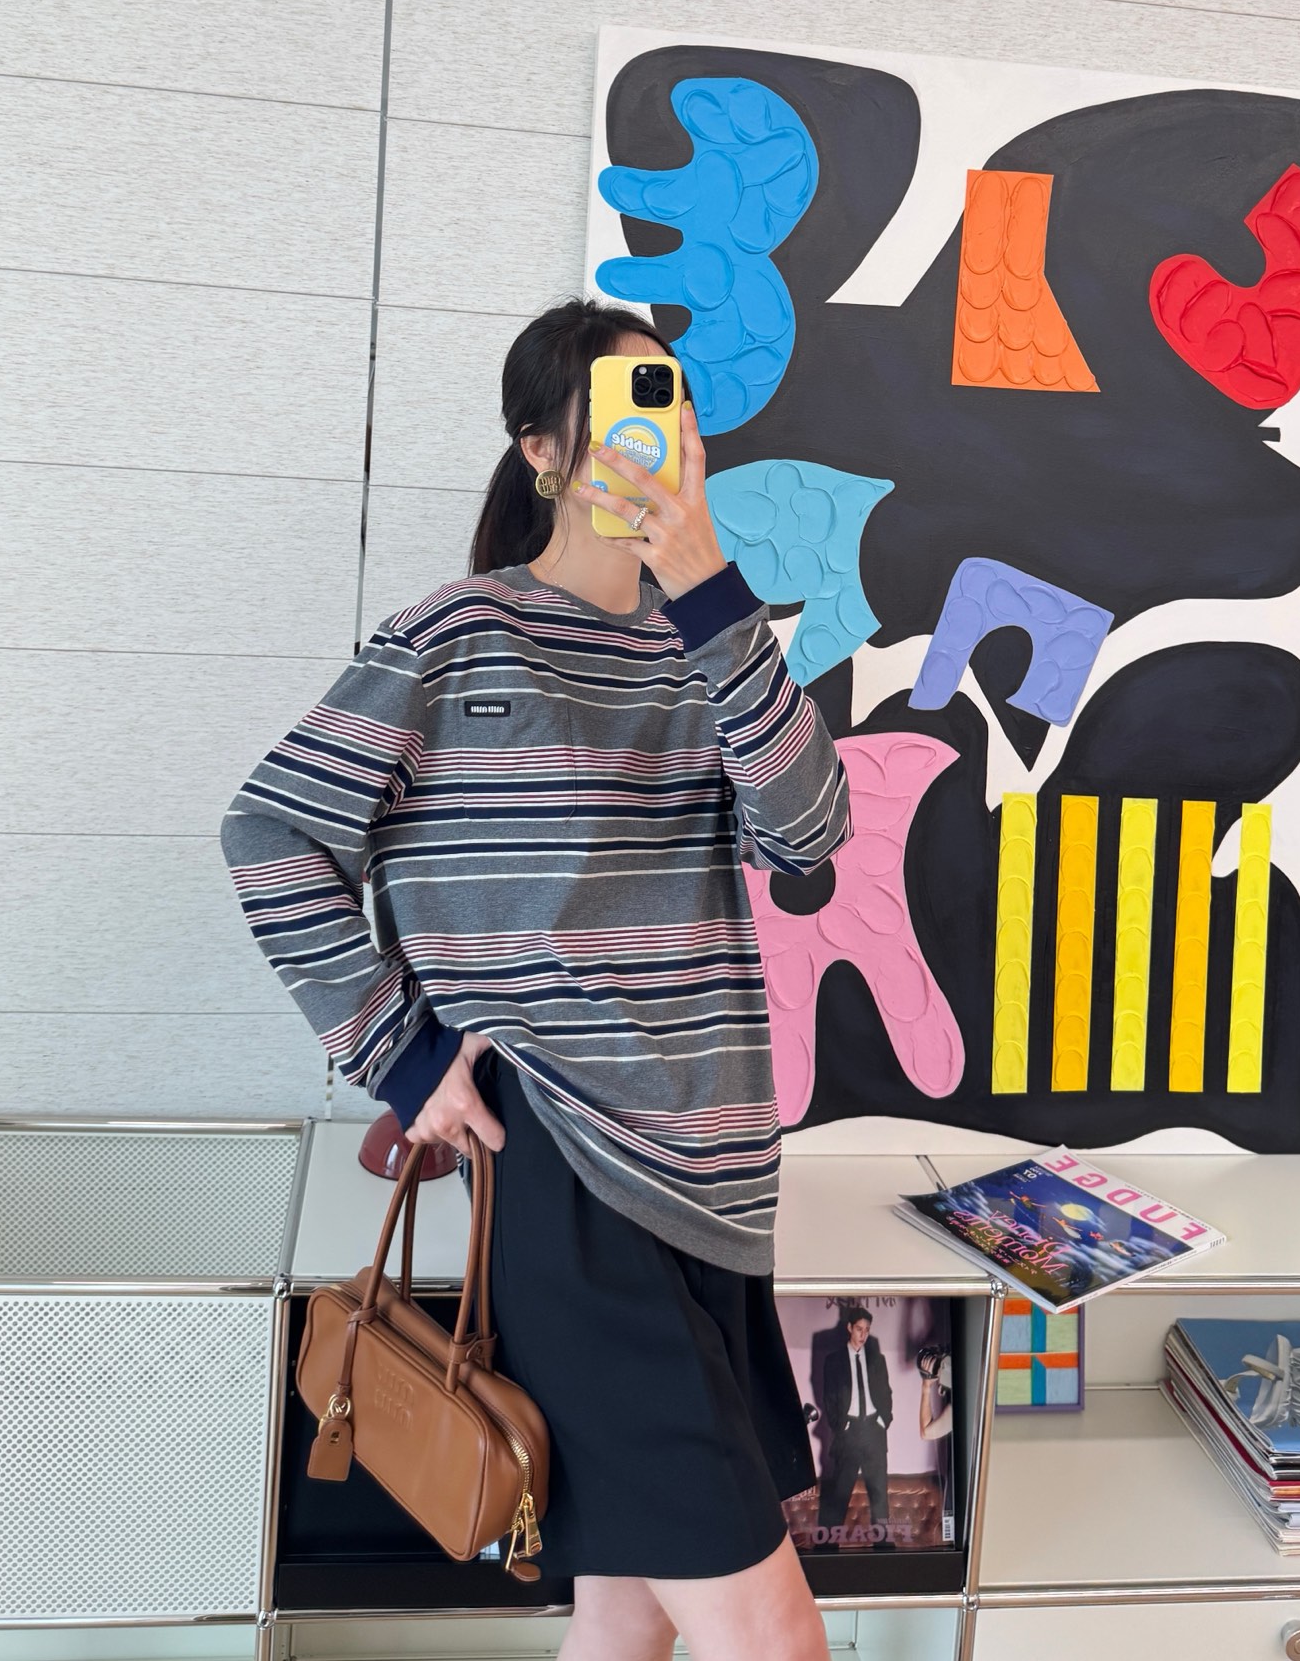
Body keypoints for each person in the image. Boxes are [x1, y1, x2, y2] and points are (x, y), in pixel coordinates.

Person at [220, 297, 853, 1661]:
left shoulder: (713, 643)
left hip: (719, 1182)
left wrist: (714, 593)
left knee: (628, 1617)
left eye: (672, 407)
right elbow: (270, 831)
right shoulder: (454, 635)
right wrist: (405, 1057)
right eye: (622, 409)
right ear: (543, 450)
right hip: (568, 1175)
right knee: (772, 1636)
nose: (655, 437)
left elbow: (809, 835)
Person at [816, 1306, 893, 1542]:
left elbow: (886, 1393)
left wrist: (883, 1420)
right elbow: (829, 1397)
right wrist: (841, 1426)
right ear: (849, 1328)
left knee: (879, 1497)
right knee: (839, 1495)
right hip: (848, 1432)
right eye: (859, 1329)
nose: (863, 1335)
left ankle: (885, 1553)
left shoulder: (877, 1359)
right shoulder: (834, 1361)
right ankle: (827, 1552)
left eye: (867, 1330)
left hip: (874, 1431)